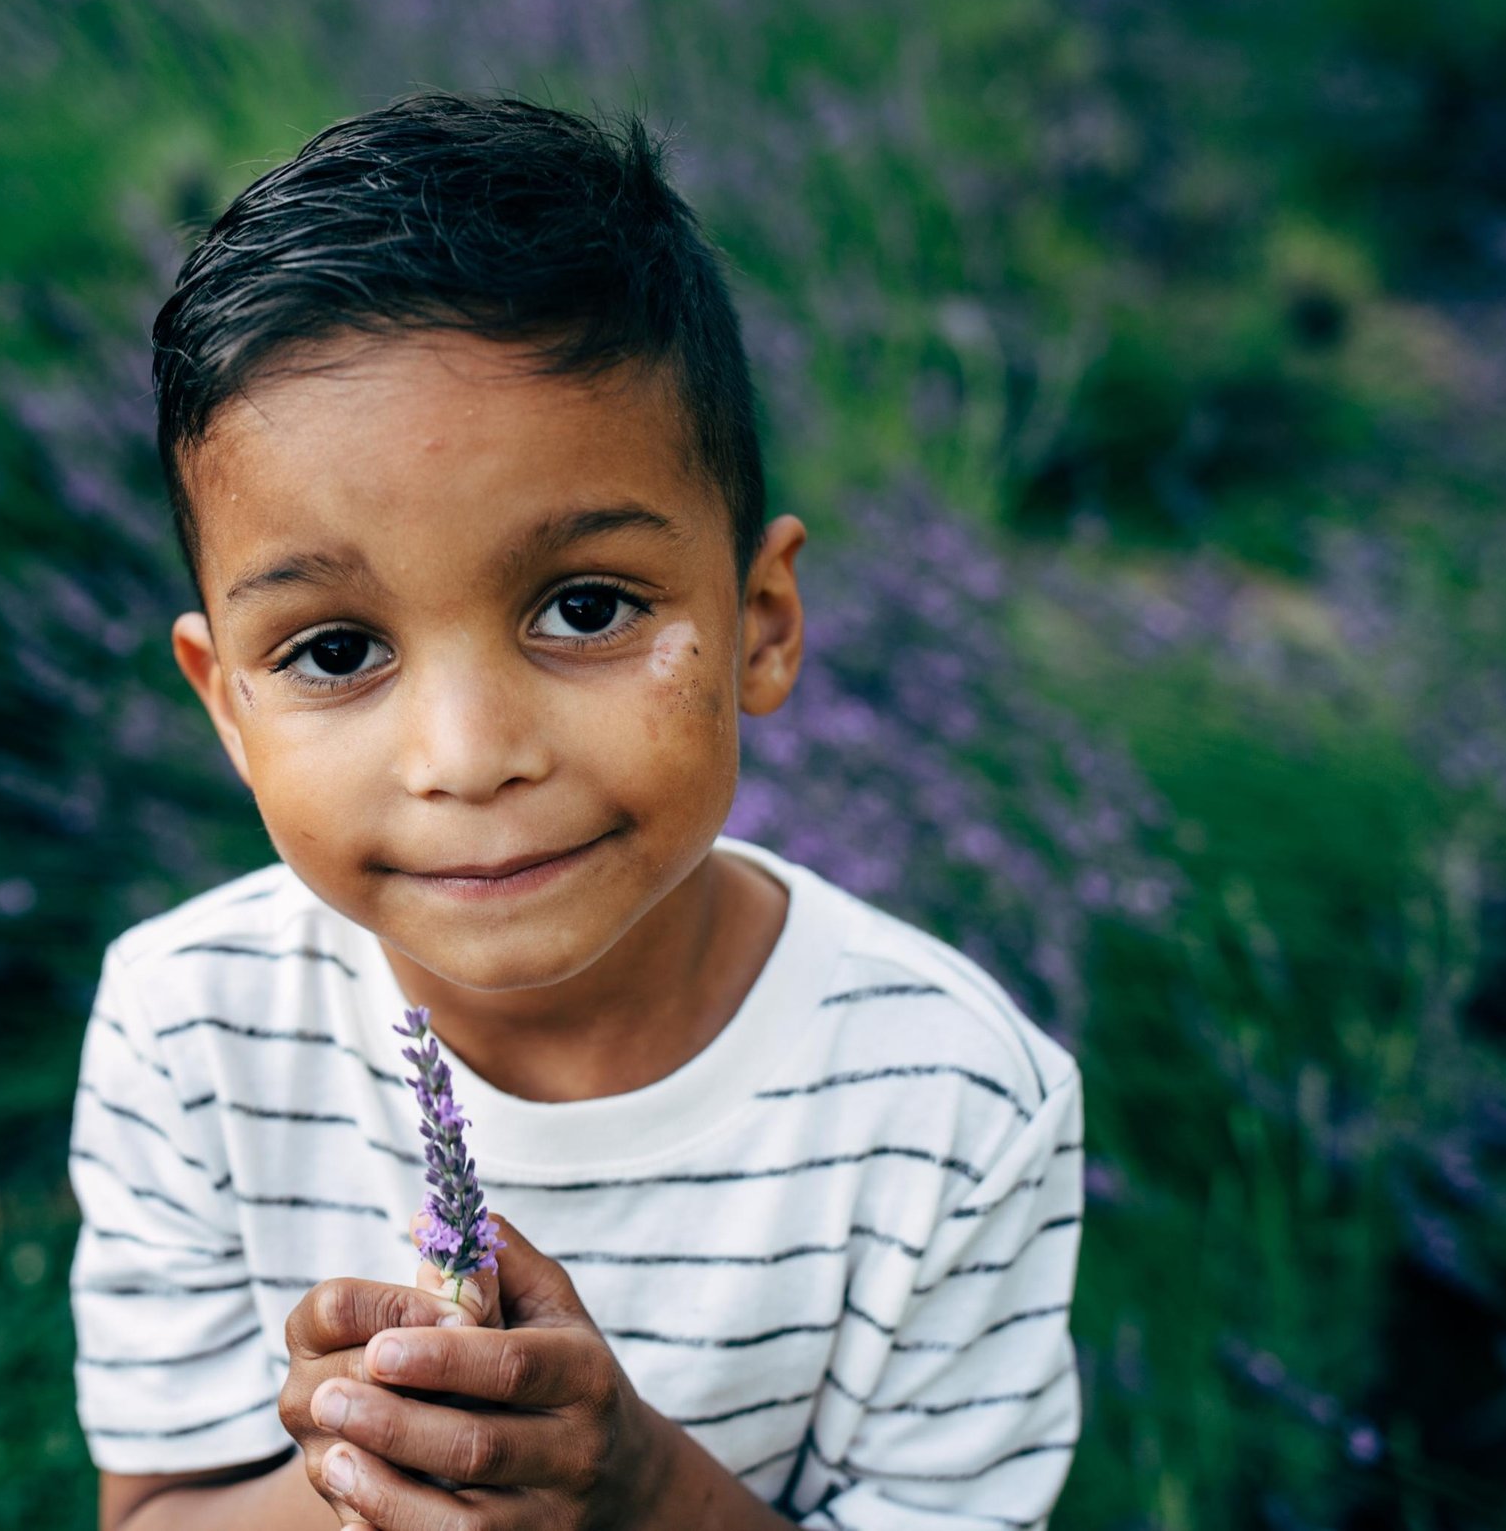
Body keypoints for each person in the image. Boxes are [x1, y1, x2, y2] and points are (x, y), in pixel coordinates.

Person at [69, 91, 1085, 1531]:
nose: (469, 756)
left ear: (762, 626)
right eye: (338, 650)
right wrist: (369, 1458)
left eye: (585, 607)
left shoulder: (951, 1103)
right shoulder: (187, 1027)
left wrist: (637, 1490)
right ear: (227, 703)